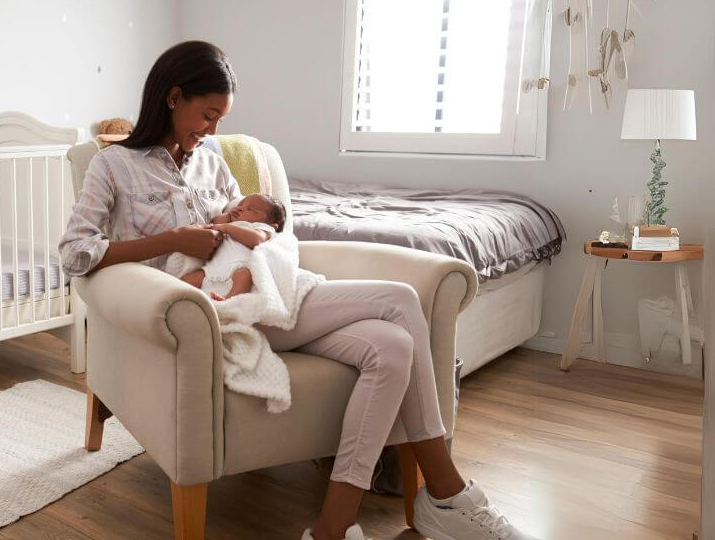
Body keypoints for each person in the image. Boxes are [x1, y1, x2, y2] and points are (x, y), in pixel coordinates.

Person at [58, 40, 538, 540]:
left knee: (393, 346)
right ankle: (446, 491)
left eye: (221, 119)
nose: (213, 130)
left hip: (263, 296)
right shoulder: (113, 166)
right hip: (210, 316)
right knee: (399, 299)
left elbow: (255, 235)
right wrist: (174, 240)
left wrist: (255, 237)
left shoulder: (212, 163)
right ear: (174, 97)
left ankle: (333, 526)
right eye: (208, 114)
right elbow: (75, 253)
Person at [170, 193, 286, 301]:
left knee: (244, 277)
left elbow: (257, 240)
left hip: (239, 267)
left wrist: (227, 228)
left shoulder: (261, 228)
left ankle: (228, 300)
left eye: (251, 209)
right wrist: (228, 216)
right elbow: (215, 222)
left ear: (272, 225)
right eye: (240, 205)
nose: (240, 208)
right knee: (186, 280)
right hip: (212, 268)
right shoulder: (230, 222)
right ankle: (176, 298)